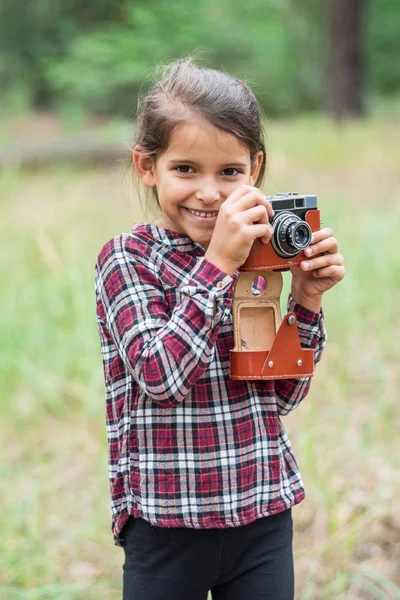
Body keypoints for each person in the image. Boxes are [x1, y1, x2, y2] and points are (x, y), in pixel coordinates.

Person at [95, 57, 345, 600]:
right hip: (167, 525)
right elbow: (160, 376)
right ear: (147, 166)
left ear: (252, 169)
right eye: (186, 169)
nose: (209, 193)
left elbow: (279, 395)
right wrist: (218, 265)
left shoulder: (259, 259)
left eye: (229, 172)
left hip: (262, 513)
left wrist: (305, 300)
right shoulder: (128, 260)